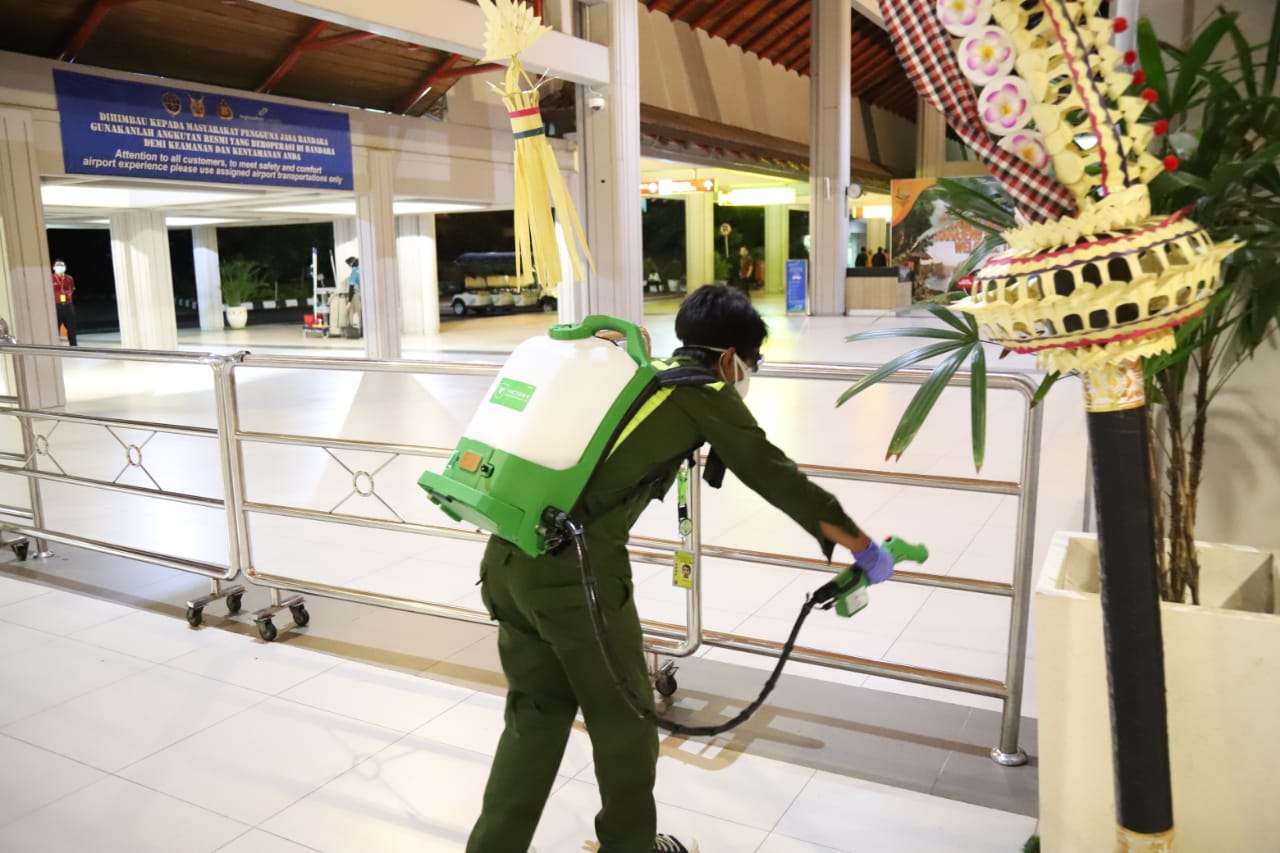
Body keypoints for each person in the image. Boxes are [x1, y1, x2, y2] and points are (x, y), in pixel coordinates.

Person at [466, 285, 896, 853]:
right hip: (578, 578)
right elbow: (775, 475)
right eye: (752, 362)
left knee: (534, 715)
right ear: (729, 358)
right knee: (625, 724)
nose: (749, 373)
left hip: (506, 558)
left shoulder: (641, 377)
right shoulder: (705, 392)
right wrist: (861, 545)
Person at [51, 259, 77, 346]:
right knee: (56, 328)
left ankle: (74, 346)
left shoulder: (69, 278)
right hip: (56, 306)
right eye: (58, 265)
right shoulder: (50, 278)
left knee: (71, 327)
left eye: (62, 265)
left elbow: (72, 289)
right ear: (54, 267)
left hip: (68, 305)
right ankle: (55, 346)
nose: (60, 267)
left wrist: (67, 297)